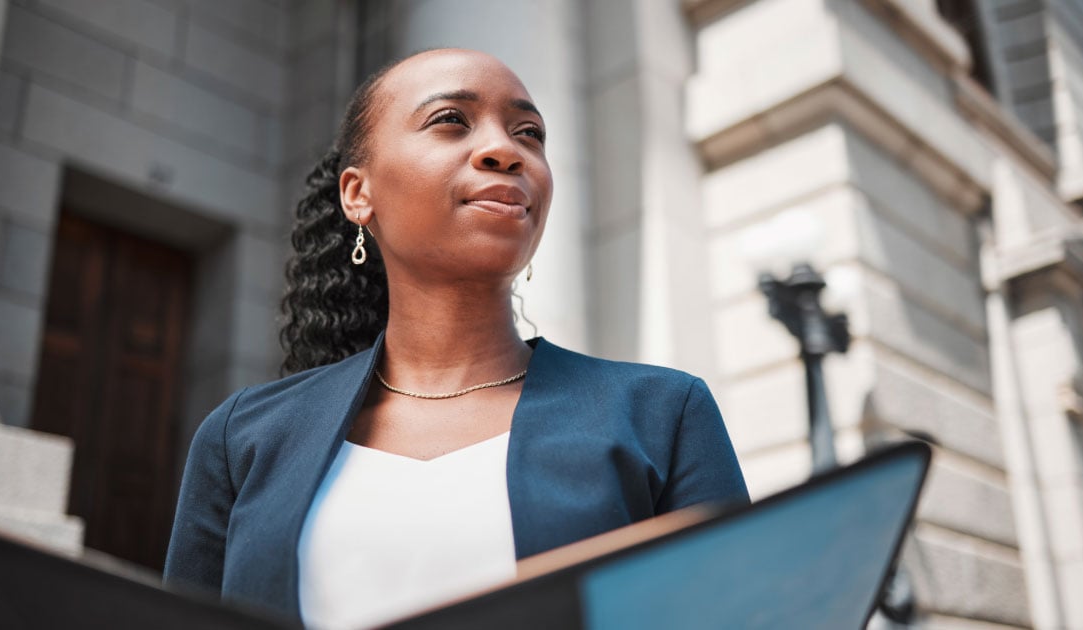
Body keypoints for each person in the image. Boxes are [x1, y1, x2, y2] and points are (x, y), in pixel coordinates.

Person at [163, 48, 748, 629]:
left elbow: (744, 614)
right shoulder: (243, 437)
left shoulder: (662, 414)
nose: (506, 150)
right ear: (357, 194)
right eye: (451, 120)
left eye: (529, 133)